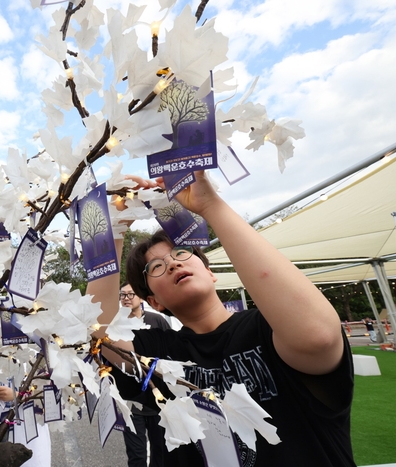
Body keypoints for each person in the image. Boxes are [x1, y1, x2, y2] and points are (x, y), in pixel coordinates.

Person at [89, 171, 354, 466]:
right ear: (154, 302)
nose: (173, 263)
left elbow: (318, 336)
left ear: (210, 272)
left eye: (181, 252)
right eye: (156, 267)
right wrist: (112, 228)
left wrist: (210, 205)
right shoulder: (159, 351)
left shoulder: (268, 328)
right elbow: (101, 330)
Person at [119, 282, 170, 467]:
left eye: (130, 294)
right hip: (130, 400)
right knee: (136, 455)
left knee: (161, 451)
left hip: (158, 399)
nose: (126, 298)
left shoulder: (158, 321)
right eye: (122, 295)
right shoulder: (116, 325)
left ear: (140, 297)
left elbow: (171, 352)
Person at [0, 385, 50, 467]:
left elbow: (49, 401)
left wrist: (18, 395)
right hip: (0, 434)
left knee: (30, 462)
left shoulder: (40, 372)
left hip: (29, 435)